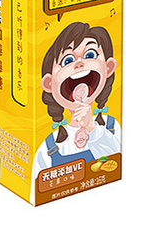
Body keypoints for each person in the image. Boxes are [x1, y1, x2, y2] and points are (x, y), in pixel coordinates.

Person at [30, 22, 121, 204]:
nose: (80, 64)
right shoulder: (48, 146)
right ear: (49, 83)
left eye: (90, 55)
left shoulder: (110, 126)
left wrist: (91, 127)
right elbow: (37, 192)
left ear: (108, 67)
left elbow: (116, 162)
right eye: (67, 60)